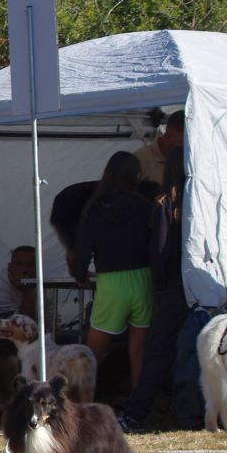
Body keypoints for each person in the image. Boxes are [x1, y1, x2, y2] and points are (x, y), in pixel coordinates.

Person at [118, 147, 189, 433]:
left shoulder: (165, 203)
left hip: (174, 287)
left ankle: (136, 412)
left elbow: (158, 251)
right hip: (202, 284)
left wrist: (159, 283)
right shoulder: (201, 202)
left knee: (158, 351)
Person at [71, 151, 154, 393]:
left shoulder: (95, 207)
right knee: (139, 349)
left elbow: (83, 247)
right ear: (135, 175)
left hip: (110, 281)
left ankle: (80, 398)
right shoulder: (144, 205)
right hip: (143, 278)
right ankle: (139, 403)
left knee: (93, 350)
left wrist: (80, 274)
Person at [0, 245, 38, 321]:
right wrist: (27, 289)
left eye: (30, 265)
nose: (24, 270)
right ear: (10, 267)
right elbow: (23, 323)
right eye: (19, 264)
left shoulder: (44, 284)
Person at [134, 110, 184, 186]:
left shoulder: (187, 159)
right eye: (182, 141)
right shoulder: (141, 158)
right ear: (169, 131)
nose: (185, 145)